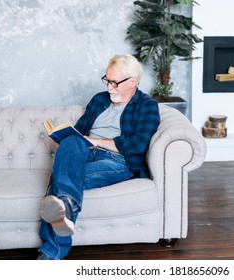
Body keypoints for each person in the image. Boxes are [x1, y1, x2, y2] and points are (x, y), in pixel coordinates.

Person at [37, 54, 160, 260]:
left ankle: (51, 255)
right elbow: (79, 132)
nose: (109, 87)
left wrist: (98, 142)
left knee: (59, 183)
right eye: (107, 80)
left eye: (115, 82)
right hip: (84, 152)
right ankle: (67, 206)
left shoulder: (146, 106)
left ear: (133, 81)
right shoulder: (99, 100)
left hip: (117, 160)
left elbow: (137, 145)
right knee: (71, 142)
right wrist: (64, 137)